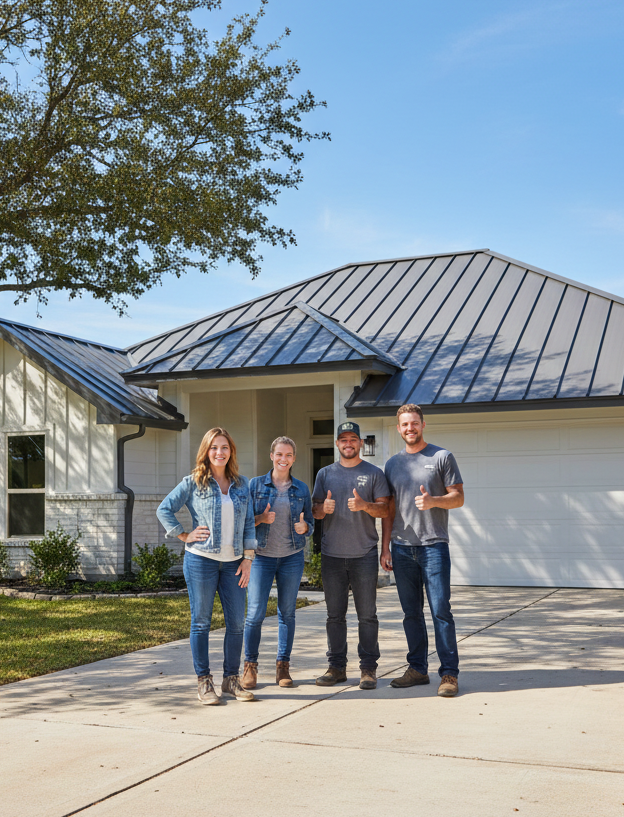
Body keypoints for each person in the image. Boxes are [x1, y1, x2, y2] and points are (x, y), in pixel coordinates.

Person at [156, 427, 257, 705]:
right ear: (206, 451)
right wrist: (184, 534)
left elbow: (249, 523)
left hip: (234, 563)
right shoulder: (193, 482)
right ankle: (204, 681)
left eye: (224, 447)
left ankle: (231, 680)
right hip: (201, 560)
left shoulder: (242, 484)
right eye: (214, 447)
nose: (219, 452)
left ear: (231, 451)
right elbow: (164, 508)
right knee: (201, 623)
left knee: (237, 624)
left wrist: (248, 559)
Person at [381, 404, 464, 698]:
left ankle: (449, 674)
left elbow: (458, 498)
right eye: (404, 424)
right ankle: (417, 668)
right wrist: (385, 547)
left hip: (434, 546)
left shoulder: (442, 457)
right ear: (398, 428)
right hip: (402, 549)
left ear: (423, 425)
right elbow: (389, 510)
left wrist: (434, 502)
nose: (409, 428)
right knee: (411, 613)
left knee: (441, 610)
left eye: (414, 423)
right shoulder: (392, 464)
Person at [312, 421, 390, 690]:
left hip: (364, 554)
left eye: (353, 439)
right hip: (332, 555)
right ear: (337, 444)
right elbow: (314, 512)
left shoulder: (374, 473)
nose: (348, 443)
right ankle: (336, 668)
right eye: (343, 439)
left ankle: (368, 669)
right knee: (335, 616)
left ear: (359, 443)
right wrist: (324, 508)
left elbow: (384, 510)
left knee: (367, 615)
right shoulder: (324, 474)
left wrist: (364, 505)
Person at [242, 436, 314, 689]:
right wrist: (261, 517)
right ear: (271, 456)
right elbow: (244, 521)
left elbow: (311, 524)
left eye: (288, 455)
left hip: (291, 557)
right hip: (261, 557)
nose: (283, 459)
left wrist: (305, 527)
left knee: (287, 613)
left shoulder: (302, 489)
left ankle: (283, 667)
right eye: (279, 454)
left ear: (294, 458)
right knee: (255, 614)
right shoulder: (254, 485)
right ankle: (249, 666)